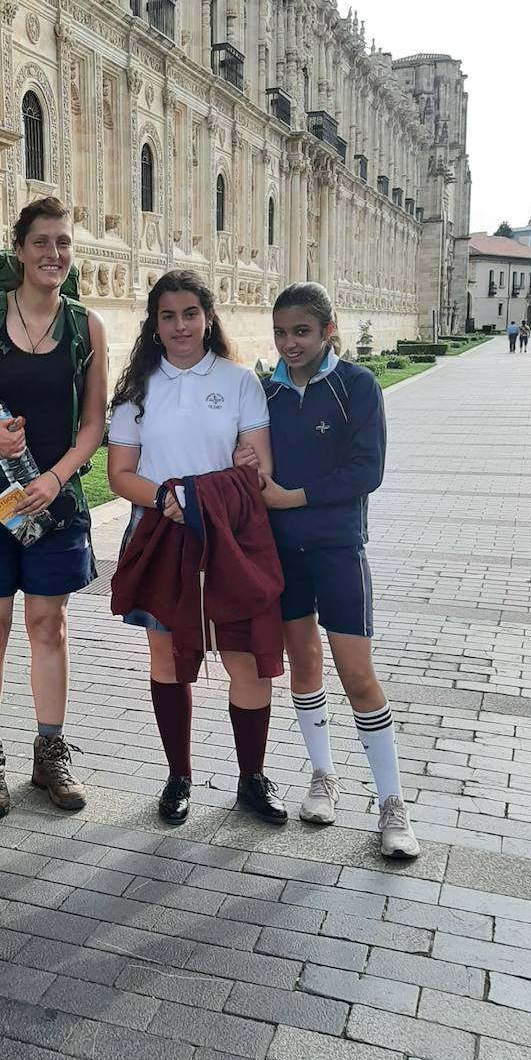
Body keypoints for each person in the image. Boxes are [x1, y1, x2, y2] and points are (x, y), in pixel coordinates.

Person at [0, 197, 108, 819]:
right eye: (41, 242)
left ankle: (50, 753)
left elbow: (94, 423)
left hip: (51, 502)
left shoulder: (86, 327)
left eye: (62, 243)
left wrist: (58, 477)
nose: (53, 254)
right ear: (19, 250)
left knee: (48, 626)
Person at [239, 282, 419, 858]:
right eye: (281, 332)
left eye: (302, 331)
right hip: (283, 557)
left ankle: (392, 806)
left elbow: (367, 471)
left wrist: (292, 498)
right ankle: (323, 777)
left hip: (339, 549)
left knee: (357, 674)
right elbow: (247, 458)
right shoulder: (265, 395)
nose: (290, 343)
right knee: (304, 665)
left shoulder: (356, 386)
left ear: (328, 330)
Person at [107, 271, 287, 827]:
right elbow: (120, 474)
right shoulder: (138, 389)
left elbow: (260, 471)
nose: (180, 325)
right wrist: (168, 497)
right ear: (154, 326)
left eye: (190, 313)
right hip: (161, 533)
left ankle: (252, 779)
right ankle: (178, 776)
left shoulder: (237, 382)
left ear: (208, 318)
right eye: (168, 315)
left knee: (245, 663)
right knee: (169, 658)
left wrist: (204, 498)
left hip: (230, 537)